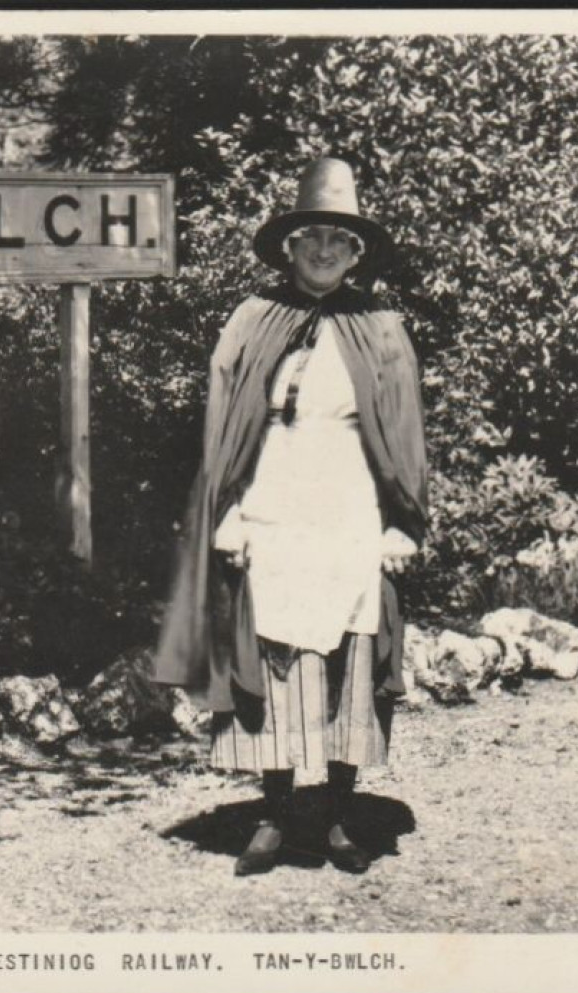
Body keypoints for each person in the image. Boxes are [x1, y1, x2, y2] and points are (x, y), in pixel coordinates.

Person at [154, 156, 429, 876]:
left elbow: (402, 433)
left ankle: (337, 814)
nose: (325, 250)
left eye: (340, 239)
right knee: (272, 662)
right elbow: (226, 424)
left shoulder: (381, 328)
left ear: (357, 251)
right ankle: (274, 815)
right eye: (312, 236)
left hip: (348, 511)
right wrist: (230, 511)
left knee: (347, 660)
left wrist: (402, 520)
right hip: (273, 507)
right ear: (288, 244)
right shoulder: (251, 321)